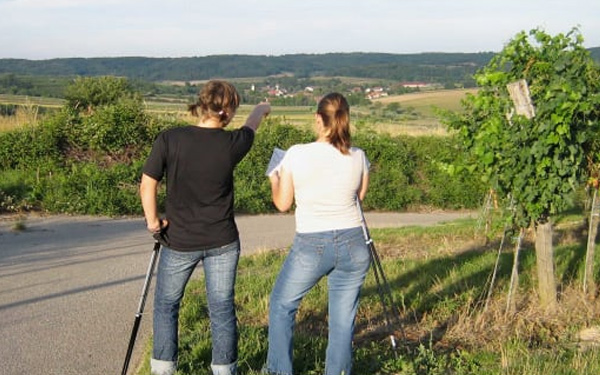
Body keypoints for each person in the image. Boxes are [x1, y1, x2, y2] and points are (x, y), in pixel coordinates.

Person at [140, 80, 270, 375]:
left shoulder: (169, 139)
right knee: (222, 309)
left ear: (202, 104)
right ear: (228, 110)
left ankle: (163, 370)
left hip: (178, 240)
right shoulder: (233, 144)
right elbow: (251, 125)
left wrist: (153, 222)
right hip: (222, 241)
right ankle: (224, 371)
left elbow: (148, 184)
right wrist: (262, 108)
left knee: (166, 306)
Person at [264, 92, 370, 375]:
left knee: (282, 305)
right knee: (342, 321)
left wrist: (275, 177)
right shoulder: (359, 156)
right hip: (355, 243)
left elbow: (283, 204)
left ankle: (279, 371)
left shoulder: (296, 153)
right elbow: (359, 196)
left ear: (318, 119)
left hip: (313, 243)